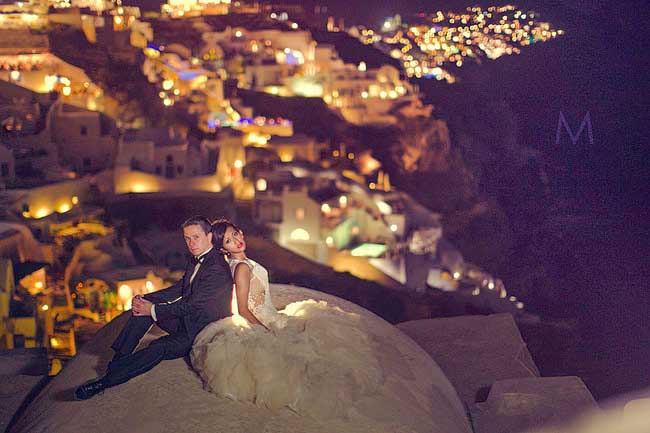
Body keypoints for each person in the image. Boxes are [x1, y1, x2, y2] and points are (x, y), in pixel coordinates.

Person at [190, 219, 427, 422]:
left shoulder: (240, 263)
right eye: (229, 240)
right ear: (223, 249)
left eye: (236, 233)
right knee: (313, 352)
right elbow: (243, 308)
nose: (237, 239)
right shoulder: (241, 267)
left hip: (269, 314)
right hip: (262, 318)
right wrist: (265, 328)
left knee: (318, 334)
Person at [75, 216, 233, 400]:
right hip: (186, 320)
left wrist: (153, 309)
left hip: (201, 331)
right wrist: (147, 299)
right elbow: (180, 288)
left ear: (209, 236)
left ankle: (105, 382)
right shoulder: (195, 259)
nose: (191, 243)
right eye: (187, 238)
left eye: (195, 237)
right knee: (143, 310)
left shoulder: (217, 268)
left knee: (158, 346)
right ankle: (118, 360)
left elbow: (191, 305)